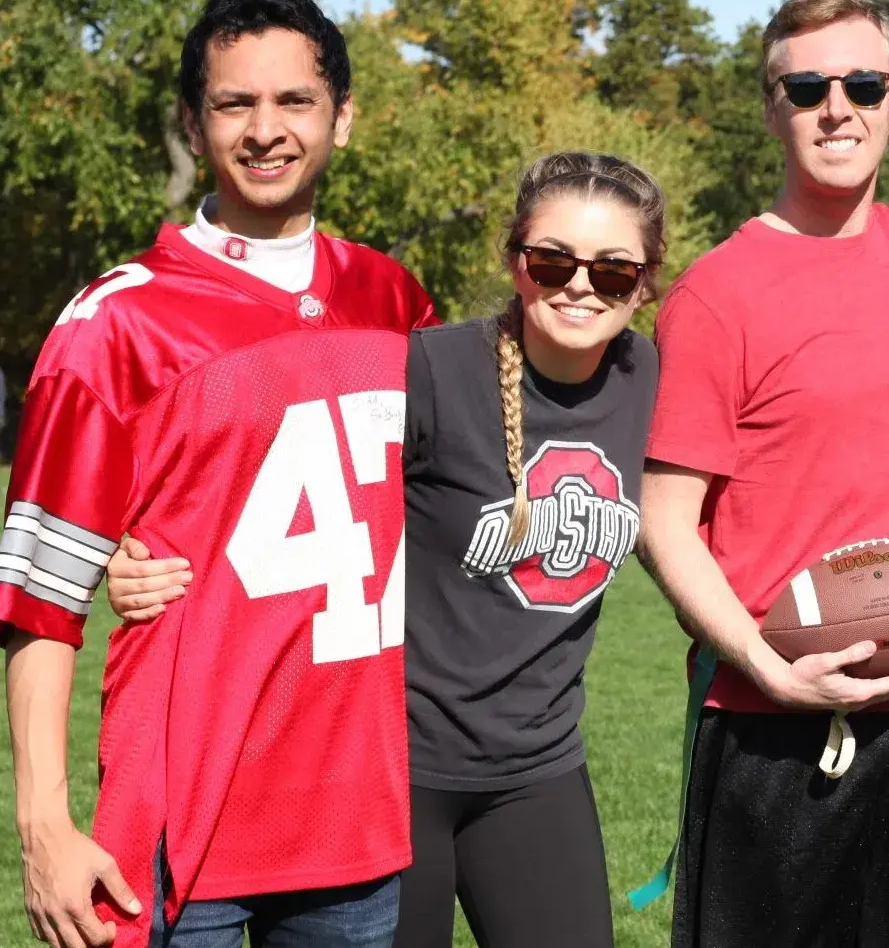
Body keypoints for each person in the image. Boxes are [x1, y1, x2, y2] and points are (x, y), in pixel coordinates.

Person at [104, 153, 664, 947]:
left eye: (612, 271)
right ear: (516, 262)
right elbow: (272, 458)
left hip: (538, 767)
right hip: (397, 770)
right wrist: (138, 552)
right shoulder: (430, 368)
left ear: (644, 282)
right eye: (552, 259)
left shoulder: (652, 379)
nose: (579, 284)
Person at [2, 0, 435, 948]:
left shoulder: (393, 295)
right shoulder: (116, 321)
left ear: (343, 118)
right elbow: (38, 599)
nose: (266, 130)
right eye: (236, 104)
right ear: (196, 126)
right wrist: (43, 823)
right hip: (176, 825)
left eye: (295, 102)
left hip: (356, 822)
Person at [635, 0, 889, 947]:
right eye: (808, 87)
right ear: (771, 107)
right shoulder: (717, 294)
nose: (839, 108)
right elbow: (664, 519)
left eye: (864, 84)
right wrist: (762, 667)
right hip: (766, 721)